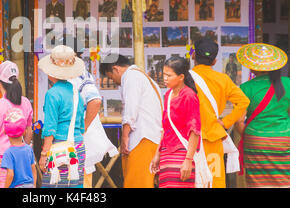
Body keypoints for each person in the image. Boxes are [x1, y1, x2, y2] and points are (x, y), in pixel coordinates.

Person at [191, 38, 250, 188]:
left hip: (189, 139)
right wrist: (225, 122)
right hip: (212, 137)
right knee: (214, 179)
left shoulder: (184, 78)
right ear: (214, 61)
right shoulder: (222, 79)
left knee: (190, 179)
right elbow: (244, 102)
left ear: (193, 56)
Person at [99, 54, 163, 188]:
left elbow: (130, 109)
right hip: (152, 138)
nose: (115, 82)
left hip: (143, 138)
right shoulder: (144, 78)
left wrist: (124, 137)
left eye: (111, 77)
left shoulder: (131, 76)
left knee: (137, 183)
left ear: (116, 69)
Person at [235, 43, 290, 188]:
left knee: (258, 182)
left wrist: (250, 136)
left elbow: (239, 121)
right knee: (284, 179)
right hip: (284, 138)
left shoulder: (246, 87)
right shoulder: (288, 84)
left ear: (253, 67)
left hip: (256, 140)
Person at [66, 37, 118, 188]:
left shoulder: (79, 72)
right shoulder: (75, 72)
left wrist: (83, 127)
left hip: (78, 139)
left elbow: (95, 101)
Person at [38, 45, 86, 188]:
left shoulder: (52, 94)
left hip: (60, 149)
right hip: (78, 147)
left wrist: (44, 154)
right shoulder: (76, 93)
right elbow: (81, 126)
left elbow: (50, 128)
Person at [150, 57, 202, 188]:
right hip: (167, 153)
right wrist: (158, 153)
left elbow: (195, 131)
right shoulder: (168, 95)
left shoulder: (189, 96)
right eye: (164, 75)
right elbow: (166, 128)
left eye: (169, 75)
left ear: (181, 77)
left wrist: (188, 160)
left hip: (182, 154)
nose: (165, 78)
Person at [0, 61, 33, 188]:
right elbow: (29, 130)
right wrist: (24, 149)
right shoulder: (25, 102)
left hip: (3, 159)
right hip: (23, 158)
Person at [0, 110, 37, 188]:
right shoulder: (28, 149)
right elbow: (33, 170)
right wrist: (34, 185)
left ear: (6, 132)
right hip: (30, 185)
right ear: (24, 132)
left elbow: (10, 174)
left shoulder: (8, 153)